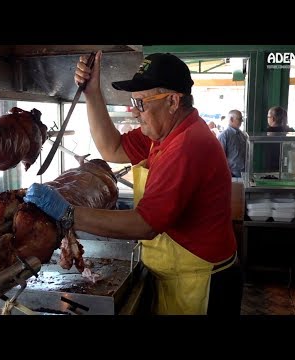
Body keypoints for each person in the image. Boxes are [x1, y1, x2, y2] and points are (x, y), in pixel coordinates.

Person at [24, 52, 242, 315]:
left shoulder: (188, 145)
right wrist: (92, 93)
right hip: (179, 275)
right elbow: (111, 147)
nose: (134, 112)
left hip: (202, 283)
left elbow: (145, 224)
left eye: (140, 103)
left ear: (173, 101)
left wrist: (68, 214)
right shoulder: (163, 134)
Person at [217, 110, 247, 178]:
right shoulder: (224, 136)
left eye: (242, 119)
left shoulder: (242, 134)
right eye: (239, 119)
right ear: (231, 119)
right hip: (232, 174)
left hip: (244, 173)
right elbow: (220, 158)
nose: (241, 121)